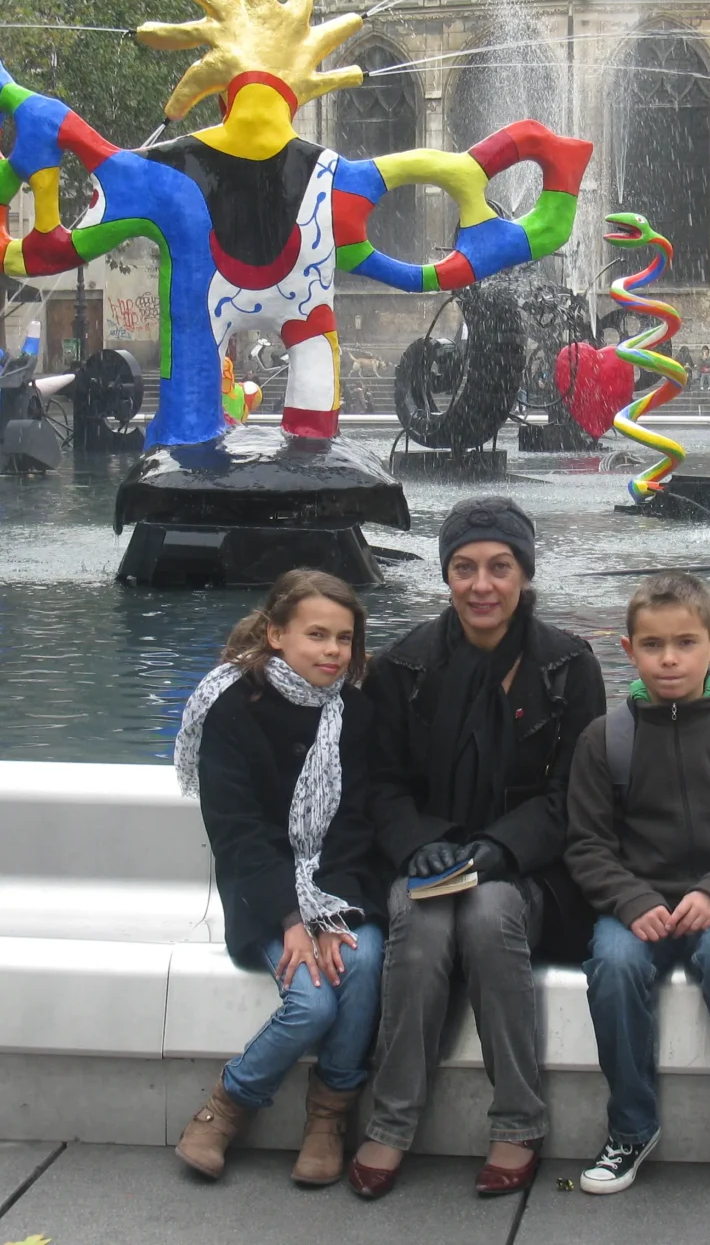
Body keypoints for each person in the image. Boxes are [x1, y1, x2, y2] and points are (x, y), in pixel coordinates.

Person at [350, 497, 606, 1200]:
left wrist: (500, 848)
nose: (481, 584)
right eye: (464, 568)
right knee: (422, 918)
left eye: (499, 566)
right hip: (429, 864)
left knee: (490, 912)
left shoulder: (568, 667)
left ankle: (519, 1121)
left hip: (529, 874)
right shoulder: (403, 668)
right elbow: (380, 785)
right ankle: (393, 1122)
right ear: (446, 576)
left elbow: (573, 795)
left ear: (524, 574)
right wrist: (418, 845)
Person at [565, 570, 710, 1201]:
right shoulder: (605, 740)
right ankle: (632, 1125)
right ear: (628, 650)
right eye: (653, 645)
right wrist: (631, 900)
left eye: (686, 643)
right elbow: (586, 843)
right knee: (612, 964)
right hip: (635, 902)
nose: (669, 659)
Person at [172, 570, 385, 1186]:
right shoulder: (232, 704)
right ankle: (227, 1105)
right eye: (316, 635)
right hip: (260, 887)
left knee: (363, 961)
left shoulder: (356, 709)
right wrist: (293, 917)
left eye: (344, 639)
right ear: (275, 634)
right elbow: (236, 830)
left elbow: (355, 822)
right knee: (312, 1004)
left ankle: (328, 1118)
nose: (332, 652)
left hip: (340, 882)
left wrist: (329, 911)